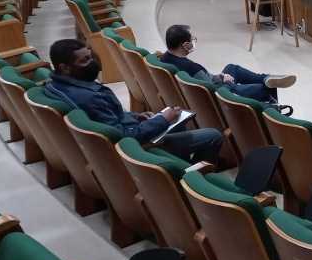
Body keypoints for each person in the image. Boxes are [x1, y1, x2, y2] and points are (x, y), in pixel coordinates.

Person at [44, 39, 223, 164]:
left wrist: (136, 116)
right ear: (65, 67)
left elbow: (108, 119)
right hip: (132, 150)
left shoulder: (53, 86)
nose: (92, 63)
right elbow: (123, 137)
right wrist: (162, 120)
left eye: (90, 57)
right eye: (84, 60)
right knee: (213, 135)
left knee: (177, 120)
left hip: (116, 137)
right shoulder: (90, 96)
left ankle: (179, 167)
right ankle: (193, 176)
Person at [160, 24, 294, 107]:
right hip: (226, 93)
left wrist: (217, 76)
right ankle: (276, 114)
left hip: (216, 82)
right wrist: (228, 83)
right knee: (265, 88)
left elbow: (204, 80)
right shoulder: (192, 68)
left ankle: (266, 77)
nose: (193, 42)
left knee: (232, 67)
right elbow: (216, 93)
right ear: (185, 45)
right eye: (192, 40)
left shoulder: (165, 58)